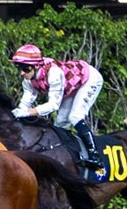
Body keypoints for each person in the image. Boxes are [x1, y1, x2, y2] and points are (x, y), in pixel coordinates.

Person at [10, 44, 105, 172]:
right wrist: (17, 114)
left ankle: (95, 156)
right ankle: (67, 156)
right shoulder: (28, 80)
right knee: (60, 123)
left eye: (25, 68)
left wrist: (29, 112)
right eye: (19, 68)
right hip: (69, 87)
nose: (22, 73)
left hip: (89, 79)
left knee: (75, 116)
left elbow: (53, 105)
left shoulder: (54, 73)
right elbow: (25, 103)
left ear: (36, 65)